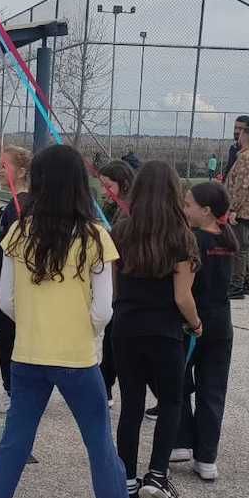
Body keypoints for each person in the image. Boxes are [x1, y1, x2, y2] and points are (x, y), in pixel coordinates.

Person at [0, 144, 145, 498]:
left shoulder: (18, 233)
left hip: (27, 355)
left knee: (13, 446)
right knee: (100, 446)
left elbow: (6, 302)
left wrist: (37, 325)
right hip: (78, 358)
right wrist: (82, 332)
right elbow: (103, 310)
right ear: (79, 183)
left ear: (38, 182)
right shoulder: (95, 237)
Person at [111, 160, 202, 498]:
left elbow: (115, 287)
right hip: (164, 331)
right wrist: (196, 324)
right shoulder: (181, 237)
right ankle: (157, 475)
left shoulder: (121, 231)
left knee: (131, 405)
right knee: (171, 402)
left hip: (126, 327)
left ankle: (126, 482)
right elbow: (182, 296)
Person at [172, 182, 237, 482]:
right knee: (213, 389)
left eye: (188, 205)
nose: (184, 209)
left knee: (179, 382)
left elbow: (183, 293)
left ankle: (181, 440)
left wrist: (193, 321)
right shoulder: (227, 238)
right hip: (221, 323)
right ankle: (206, 457)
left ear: (206, 210)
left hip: (192, 322)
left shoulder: (192, 241)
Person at [0, 145, 31, 414]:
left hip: (16, 285)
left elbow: (9, 246)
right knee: (1, 329)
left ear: (21, 171)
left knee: (5, 331)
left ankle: (14, 390)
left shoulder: (21, 206)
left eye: (4, 166)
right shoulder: (14, 204)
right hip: (6, 280)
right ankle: (14, 388)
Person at [97, 159, 135, 404]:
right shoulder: (115, 208)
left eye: (108, 186)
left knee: (116, 340)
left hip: (125, 285)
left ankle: (106, 387)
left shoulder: (130, 210)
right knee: (112, 338)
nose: (104, 191)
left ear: (123, 184)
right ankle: (105, 386)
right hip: (116, 283)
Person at [224, 125, 249, 299]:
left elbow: (241, 186)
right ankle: (244, 283)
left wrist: (233, 209)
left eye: (239, 133)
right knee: (244, 249)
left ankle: (236, 286)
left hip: (243, 211)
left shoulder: (246, 157)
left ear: (244, 137)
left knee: (238, 249)